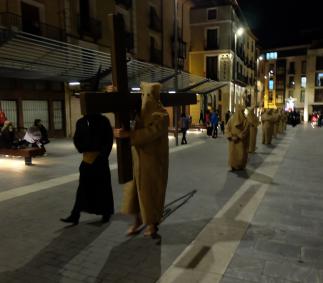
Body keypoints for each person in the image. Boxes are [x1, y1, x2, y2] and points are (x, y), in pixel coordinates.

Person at [114, 82, 169, 237]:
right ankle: (137, 221)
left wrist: (129, 135)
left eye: (149, 95)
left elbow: (150, 133)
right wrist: (114, 93)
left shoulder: (162, 115)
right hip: (137, 160)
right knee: (134, 194)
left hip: (153, 163)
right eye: (143, 95)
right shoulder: (139, 113)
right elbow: (123, 109)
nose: (145, 99)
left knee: (151, 193)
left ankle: (152, 224)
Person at [60, 113, 114, 225]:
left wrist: (102, 156)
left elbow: (108, 140)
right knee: (82, 188)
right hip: (87, 159)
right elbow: (77, 139)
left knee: (103, 187)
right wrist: (82, 148)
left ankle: (106, 213)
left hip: (100, 160)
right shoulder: (81, 122)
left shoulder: (103, 120)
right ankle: (75, 215)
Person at [225, 105, 249, 171]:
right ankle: (233, 165)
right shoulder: (232, 119)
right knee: (233, 154)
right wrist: (231, 136)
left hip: (240, 141)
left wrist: (237, 137)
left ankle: (239, 166)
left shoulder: (245, 120)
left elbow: (246, 131)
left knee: (240, 154)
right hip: (234, 140)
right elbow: (227, 128)